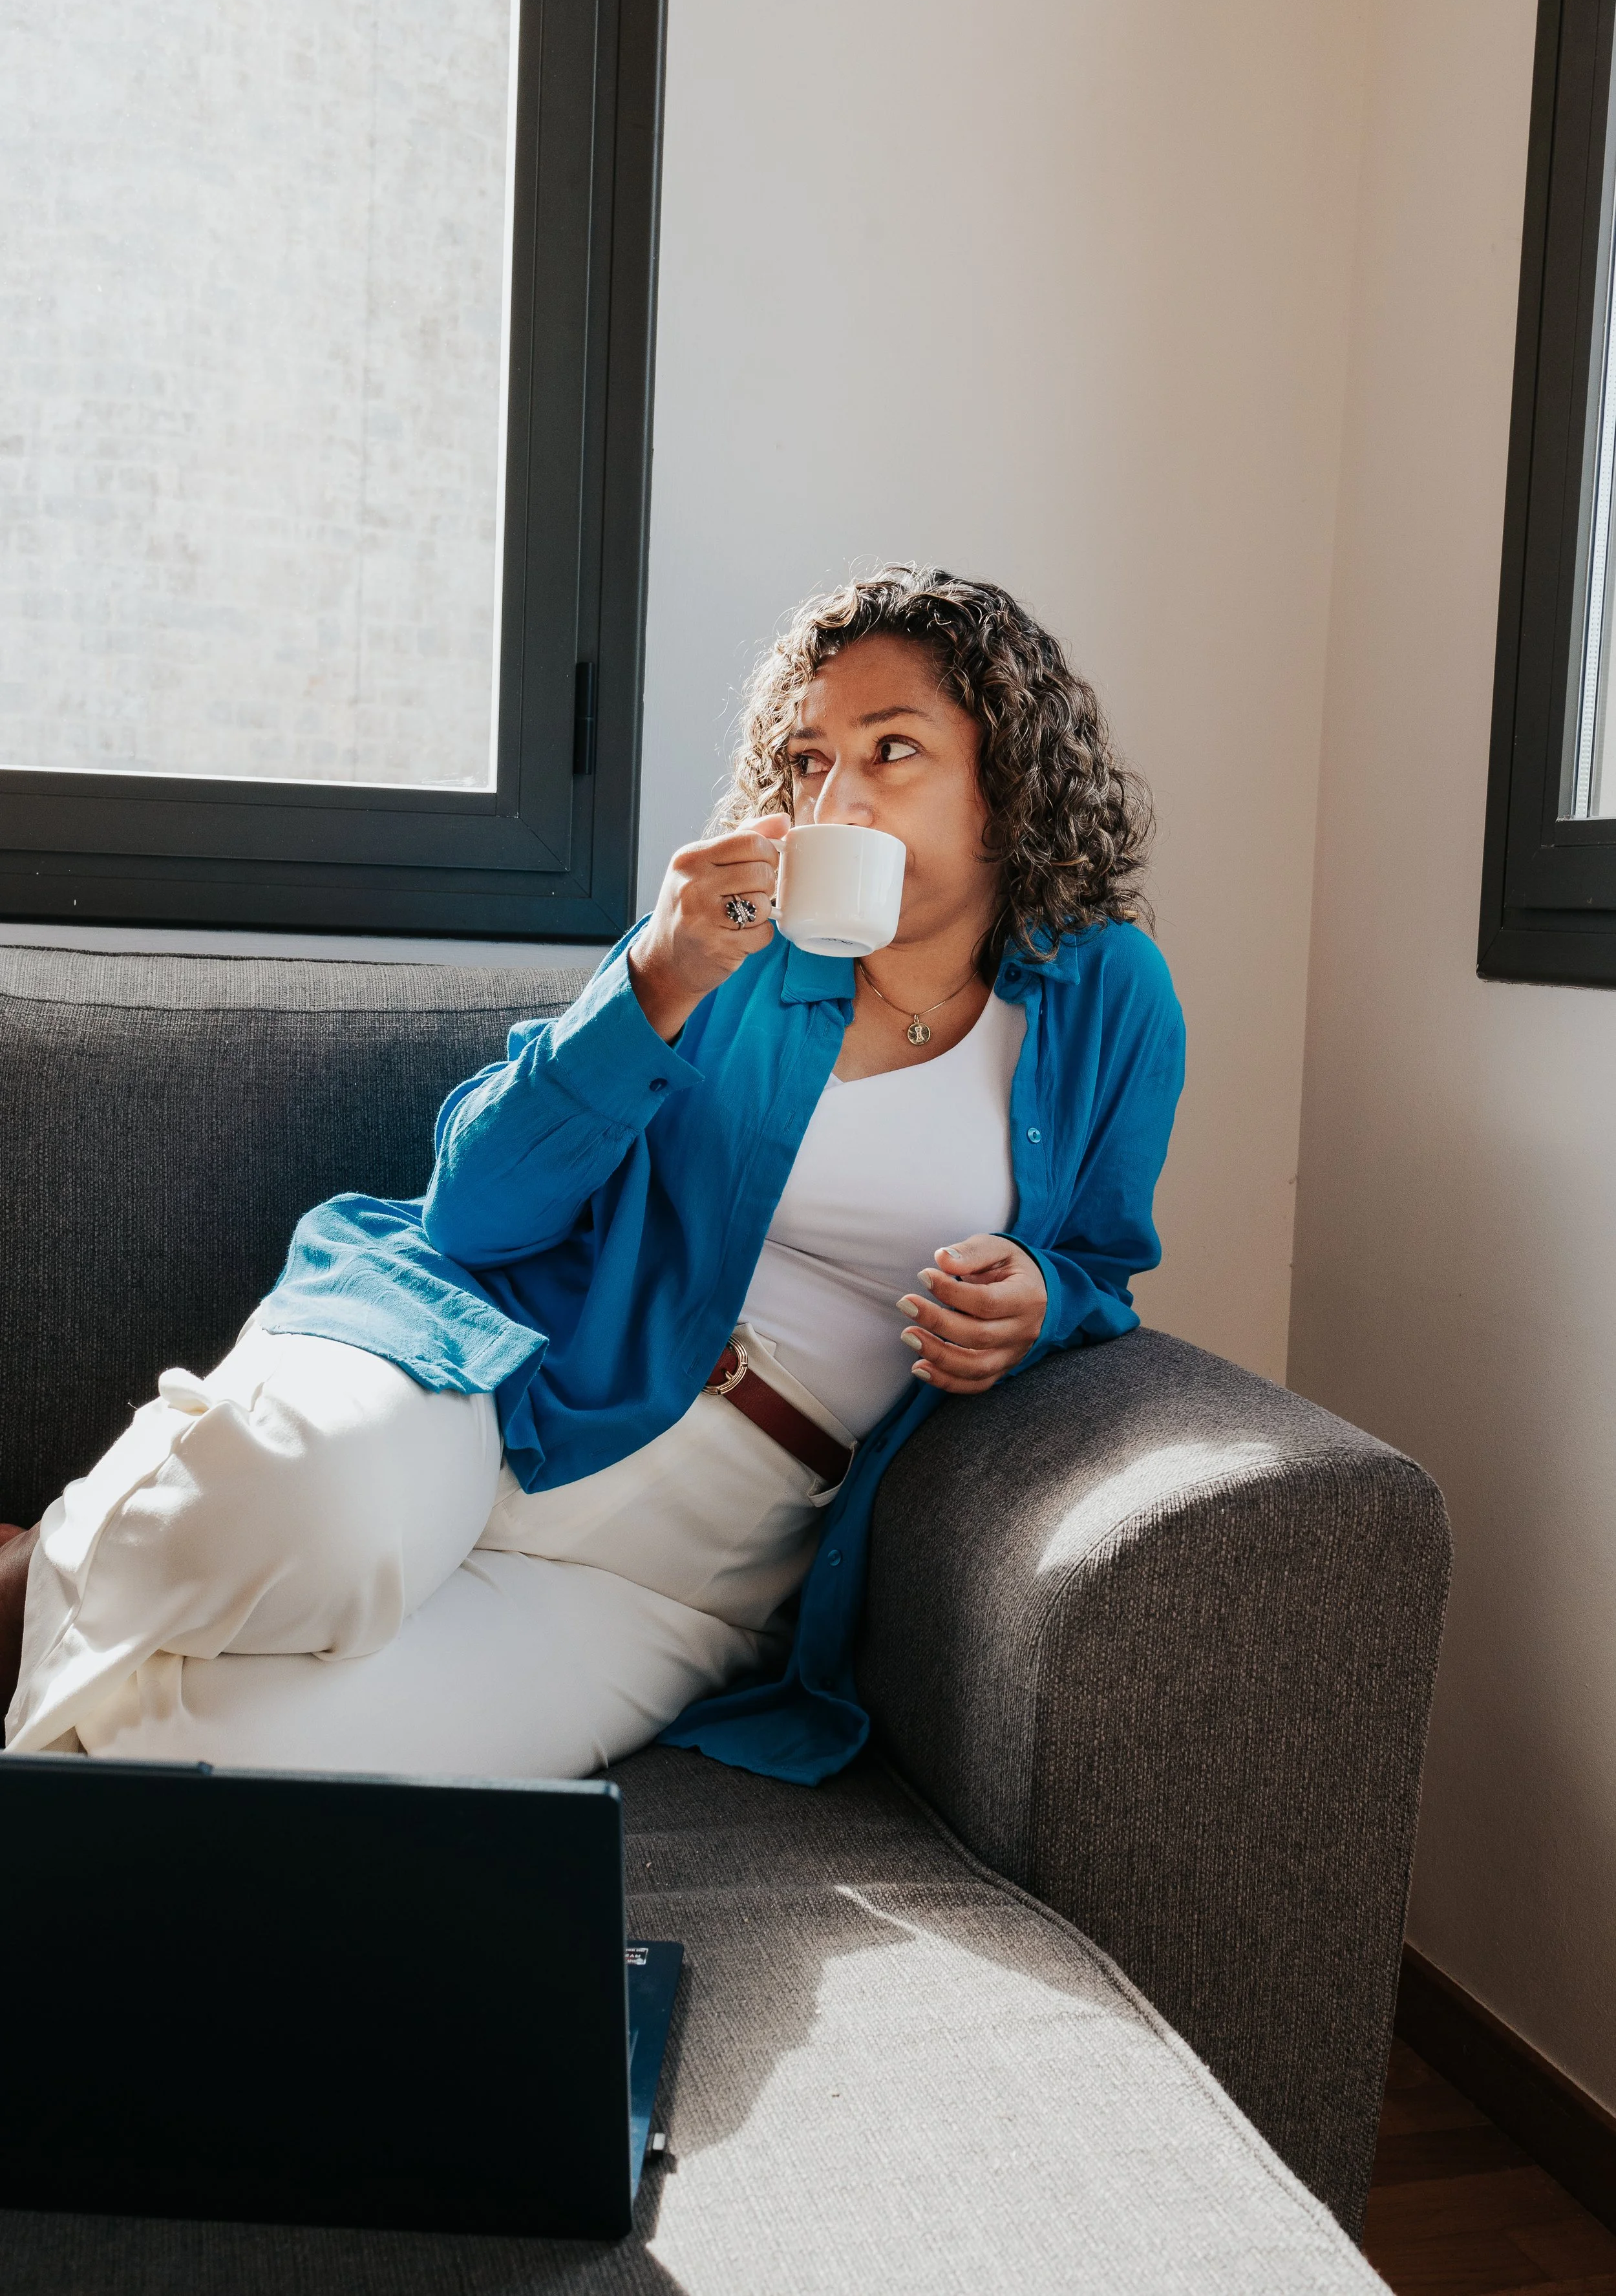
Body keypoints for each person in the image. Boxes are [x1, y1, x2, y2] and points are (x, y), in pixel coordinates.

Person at [0, 567, 1185, 1785]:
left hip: (694, 1561)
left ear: (1009, 781)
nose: (839, 799)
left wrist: (1040, 1299)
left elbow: (1101, 1262)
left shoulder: (1107, 997)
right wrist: (661, 976)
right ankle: (37, 1574)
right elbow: (476, 1207)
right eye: (810, 760)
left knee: (200, 1750)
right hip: (491, 1371)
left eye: (894, 751)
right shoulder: (730, 940)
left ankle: (63, 1608)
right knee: (296, 1517)